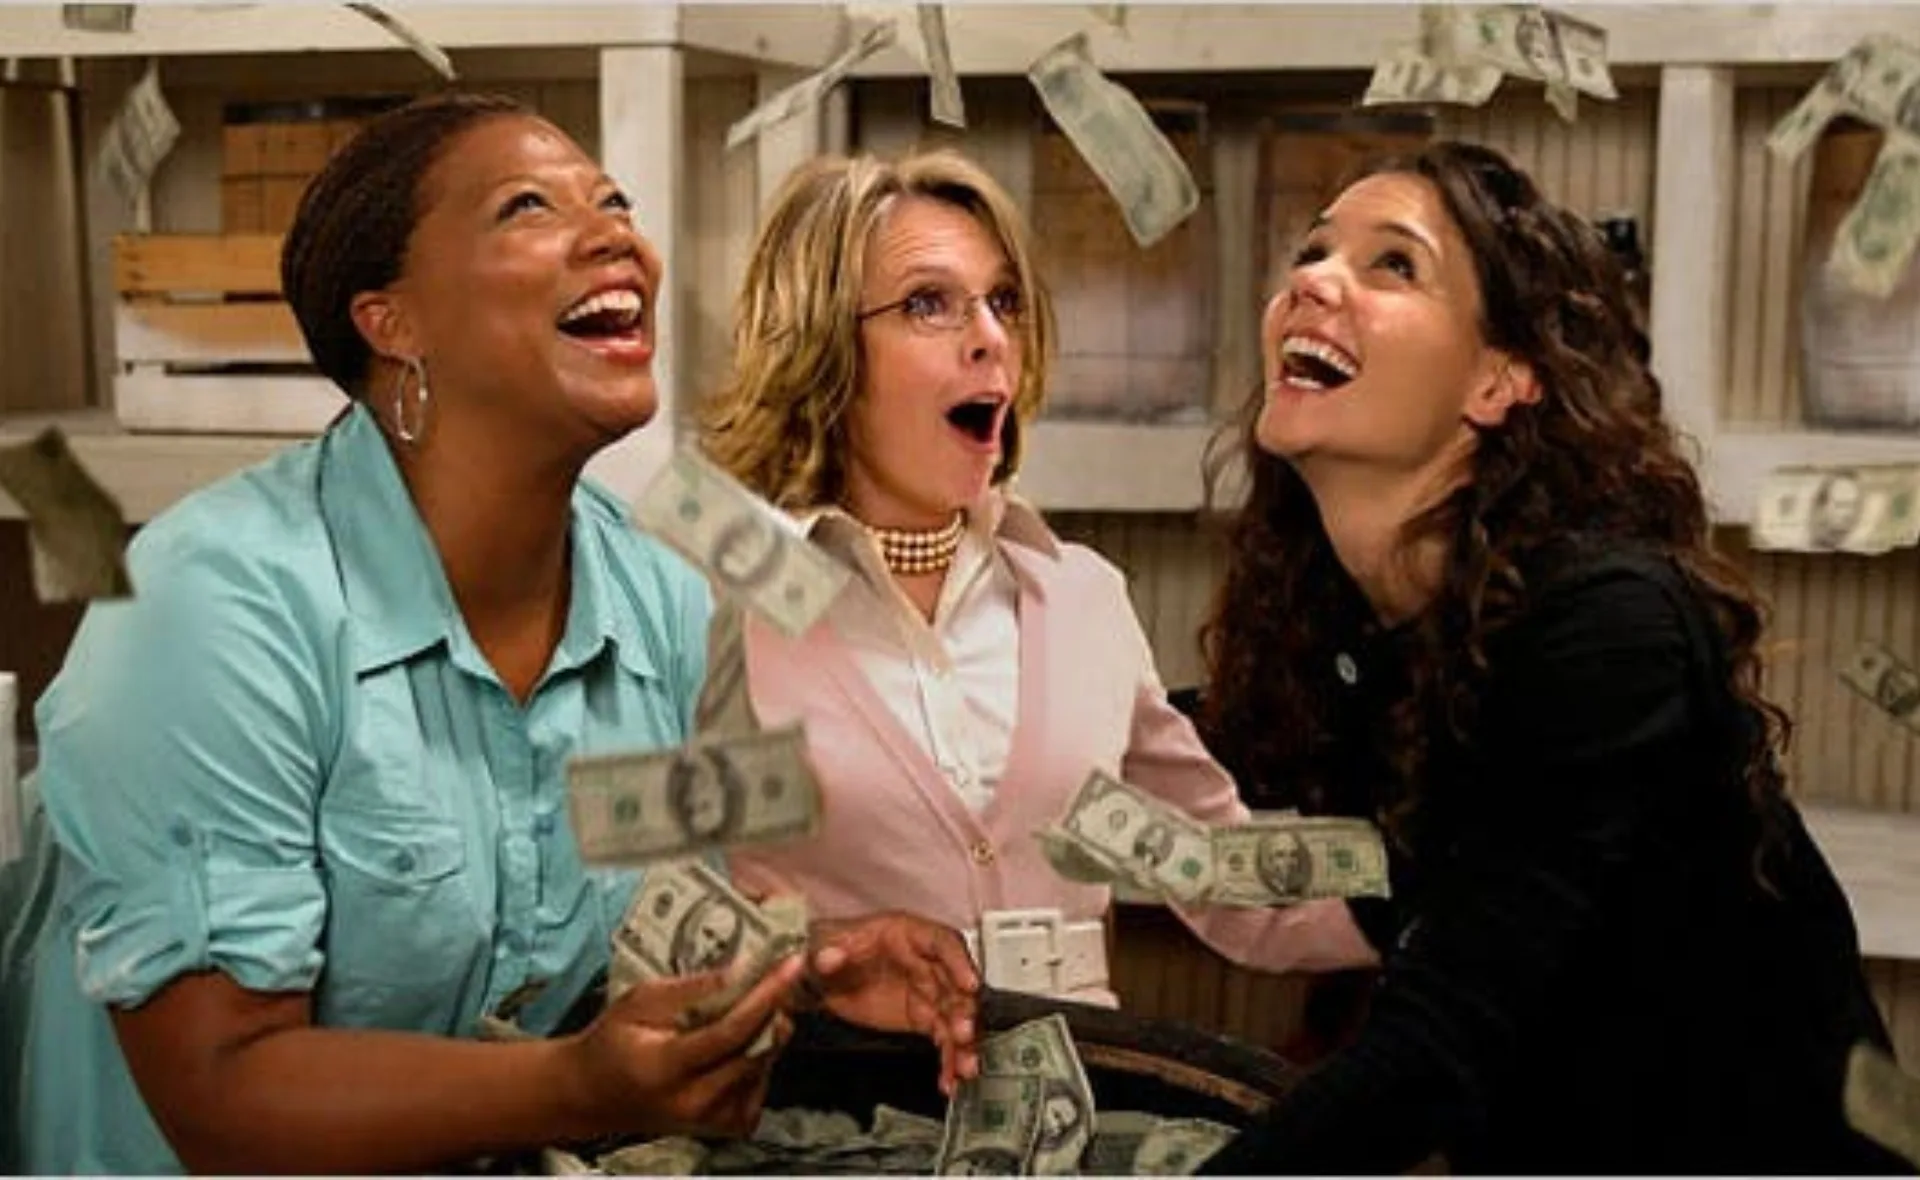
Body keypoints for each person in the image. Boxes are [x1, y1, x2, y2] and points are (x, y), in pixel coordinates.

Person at [3, 93, 975, 1175]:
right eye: (528, 207)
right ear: (393, 321)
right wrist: (575, 1086)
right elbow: (222, 1091)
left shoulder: (662, 603)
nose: (619, 235)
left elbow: (642, 914)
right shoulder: (213, 604)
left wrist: (804, 962)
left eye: (615, 202)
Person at [1194, 141, 1903, 1173]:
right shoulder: (1360, 636)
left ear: (1500, 379)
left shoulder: (1609, 625)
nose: (1310, 280)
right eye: (1311, 251)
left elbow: (1437, 1046)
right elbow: (1204, 756)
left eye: (1394, 263)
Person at [695, 149, 1377, 1007]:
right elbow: (644, 921)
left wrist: (1443, 885)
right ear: (824, 348)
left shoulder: (1081, 598)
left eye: (1004, 301)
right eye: (928, 304)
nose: (990, 337)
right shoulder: (718, 610)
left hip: (1066, 1123)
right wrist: (824, 960)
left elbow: (1213, 871)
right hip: (825, 1127)